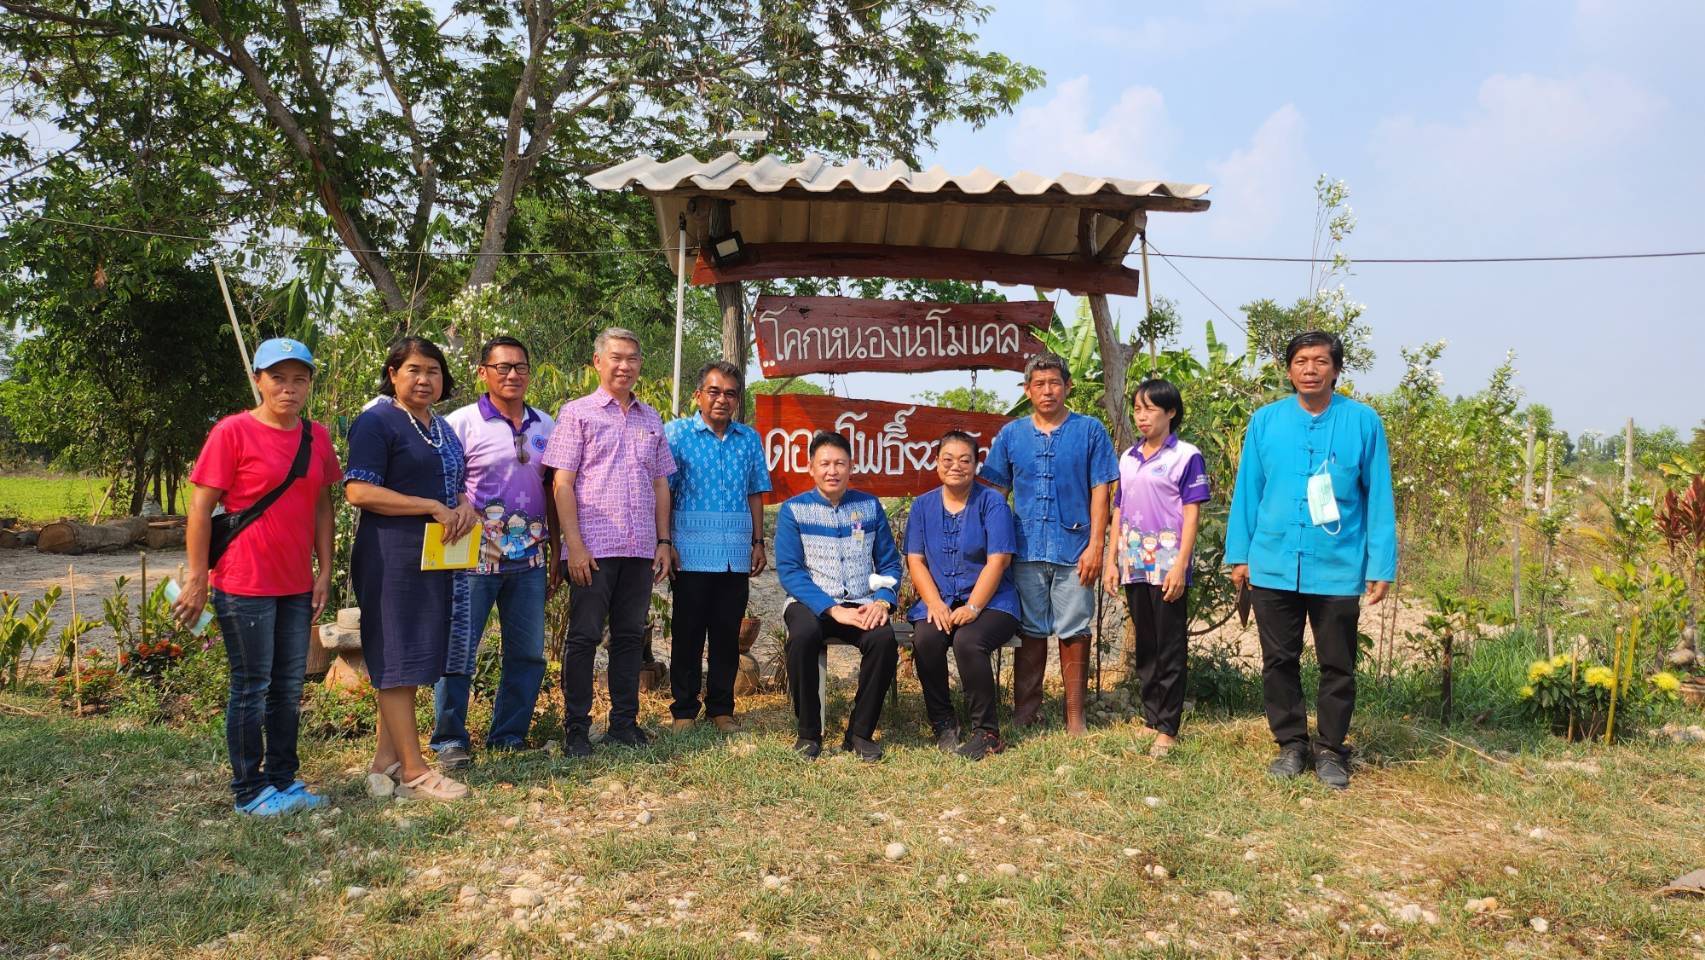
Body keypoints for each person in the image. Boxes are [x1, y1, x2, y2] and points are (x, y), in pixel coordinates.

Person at [175, 338, 342, 816]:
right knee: (251, 685)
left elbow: (322, 506)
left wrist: (325, 570)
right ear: (258, 380)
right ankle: (248, 792)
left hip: (295, 582)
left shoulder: (317, 437)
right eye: (278, 378)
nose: (289, 389)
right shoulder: (232, 432)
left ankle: (283, 780)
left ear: (310, 383)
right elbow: (201, 509)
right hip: (243, 580)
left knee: (289, 686)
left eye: (299, 379)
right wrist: (197, 577)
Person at [1225, 330, 1397, 790]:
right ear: (1288, 369)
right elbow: (1248, 492)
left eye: (1320, 361)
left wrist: (1381, 564)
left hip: (1338, 566)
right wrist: (1239, 554)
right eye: (1301, 360)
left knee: (1337, 662)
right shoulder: (1265, 422)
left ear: (1336, 369)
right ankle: (1291, 744)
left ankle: (1332, 749)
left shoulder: (1363, 422)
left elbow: (1378, 496)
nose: (1310, 369)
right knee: (1278, 658)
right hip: (1274, 559)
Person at [344, 336, 480, 802]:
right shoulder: (377, 420)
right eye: (414, 370)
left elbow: (455, 484)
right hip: (391, 554)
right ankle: (416, 772)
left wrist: (462, 506)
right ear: (393, 374)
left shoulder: (441, 427)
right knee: (397, 656)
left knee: (414, 654)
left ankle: (387, 760)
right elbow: (359, 491)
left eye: (434, 371)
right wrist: (429, 506)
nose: (425, 379)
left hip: (435, 555)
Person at [543, 327, 675, 757]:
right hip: (593, 550)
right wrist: (573, 546)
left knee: (628, 637)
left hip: (639, 550)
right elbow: (562, 483)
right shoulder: (577, 413)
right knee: (582, 638)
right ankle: (576, 729)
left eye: (633, 358)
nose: (625, 365)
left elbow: (659, 484)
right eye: (616, 357)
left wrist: (662, 540)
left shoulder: (651, 417)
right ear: (597, 362)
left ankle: (623, 723)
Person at [428, 337, 557, 771]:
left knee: (527, 653)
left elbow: (554, 490)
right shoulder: (459, 423)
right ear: (482, 372)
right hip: (472, 559)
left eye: (520, 367)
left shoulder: (546, 425)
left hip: (531, 559)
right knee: (458, 650)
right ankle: (449, 740)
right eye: (502, 367)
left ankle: (509, 736)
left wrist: (556, 548)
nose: (512, 375)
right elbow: (442, 483)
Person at [980, 352, 1119, 735]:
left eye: (1054, 383)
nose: (1047, 391)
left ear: (1067, 386)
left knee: (1075, 627)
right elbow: (995, 494)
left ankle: (1075, 715)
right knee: (1031, 628)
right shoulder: (1011, 435)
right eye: (1039, 384)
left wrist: (1096, 546)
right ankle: (1027, 710)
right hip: (1024, 550)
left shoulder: (1089, 431)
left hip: (1074, 549)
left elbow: (1101, 490)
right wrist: (996, 548)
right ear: (1027, 390)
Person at [774, 431, 901, 761]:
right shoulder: (794, 510)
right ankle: (808, 733)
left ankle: (859, 733)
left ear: (851, 466)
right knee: (802, 637)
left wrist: (883, 600)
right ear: (811, 468)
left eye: (840, 463)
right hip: (809, 603)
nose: (833, 471)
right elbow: (790, 571)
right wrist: (830, 608)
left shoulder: (869, 507)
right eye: (825, 464)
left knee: (884, 640)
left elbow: (888, 562)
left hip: (861, 602)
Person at [1103, 379, 1211, 759]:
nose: (1142, 416)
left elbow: (1192, 512)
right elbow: (1119, 509)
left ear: (1171, 413)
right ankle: (1152, 717)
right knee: (1147, 645)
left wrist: (1181, 565)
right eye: (1137, 408)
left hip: (1168, 566)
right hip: (1134, 564)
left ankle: (1168, 726)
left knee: (1170, 647)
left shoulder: (1186, 456)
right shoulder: (1128, 457)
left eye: (1150, 408)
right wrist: (1111, 559)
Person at [664, 360, 770, 733]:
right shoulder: (675, 435)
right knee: (688, 634)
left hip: (734, 556)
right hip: (690, 553)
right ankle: (683, 711)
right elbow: (664, 494)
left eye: (730, 393)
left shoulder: (749, 439)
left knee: (727, 635)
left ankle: (722, 709)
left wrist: (758, 541)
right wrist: (666, 542)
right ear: (698, 395)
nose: (722, 399)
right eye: (714, 391)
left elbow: (756, 492)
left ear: (738, 400)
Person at [905, 430, 1022, 760]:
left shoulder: (993, 503)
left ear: (976, 464)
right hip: (940, 598)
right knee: (927, 637)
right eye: (948, 459)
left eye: (965, 459)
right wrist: (933, 602)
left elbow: (998, 559)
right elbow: (916, 559)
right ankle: (943, 722)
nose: (956, 466)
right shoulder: (923, 506)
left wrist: (973, 606)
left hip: (993, 601)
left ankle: (987, 733)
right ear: (937, 463)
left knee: (967, 640)